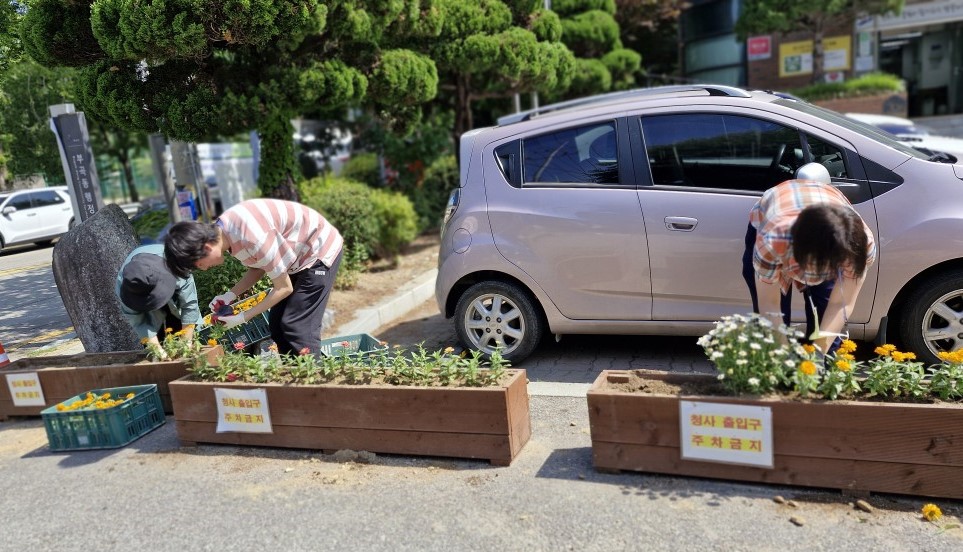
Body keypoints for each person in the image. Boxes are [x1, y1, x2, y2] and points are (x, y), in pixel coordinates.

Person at [163, 198, 343, 357]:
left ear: (206, 249)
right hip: (296, 258)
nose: (203, 269)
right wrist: (230, 295)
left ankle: (316, 386)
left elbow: (283, 288)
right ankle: (296, 381)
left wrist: (242, 317)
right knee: (277, 326)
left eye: (198, 265)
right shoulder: (225, 233)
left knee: (297, 327)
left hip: (317, 251)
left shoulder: (253, 236)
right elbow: (257, 269)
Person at [741, 162, 876, 355]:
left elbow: (841, 304)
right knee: (778, 316)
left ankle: (826, 370)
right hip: (775, 207)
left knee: (825, 304)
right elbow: (769, 305)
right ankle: (774, 363)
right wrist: (783, 355)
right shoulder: (773, 241)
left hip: (822, 220)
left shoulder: (861, 246)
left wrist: (818, 354)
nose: (812, 275)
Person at [116, 243, 200, 358]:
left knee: (189, 340)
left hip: (170, 281)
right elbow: (139, 321)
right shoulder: (126, 288)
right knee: (156, 352)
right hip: (143, 299)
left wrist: (186, 341)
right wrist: (157, 350)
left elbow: (190, 305)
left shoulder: (178, 264)